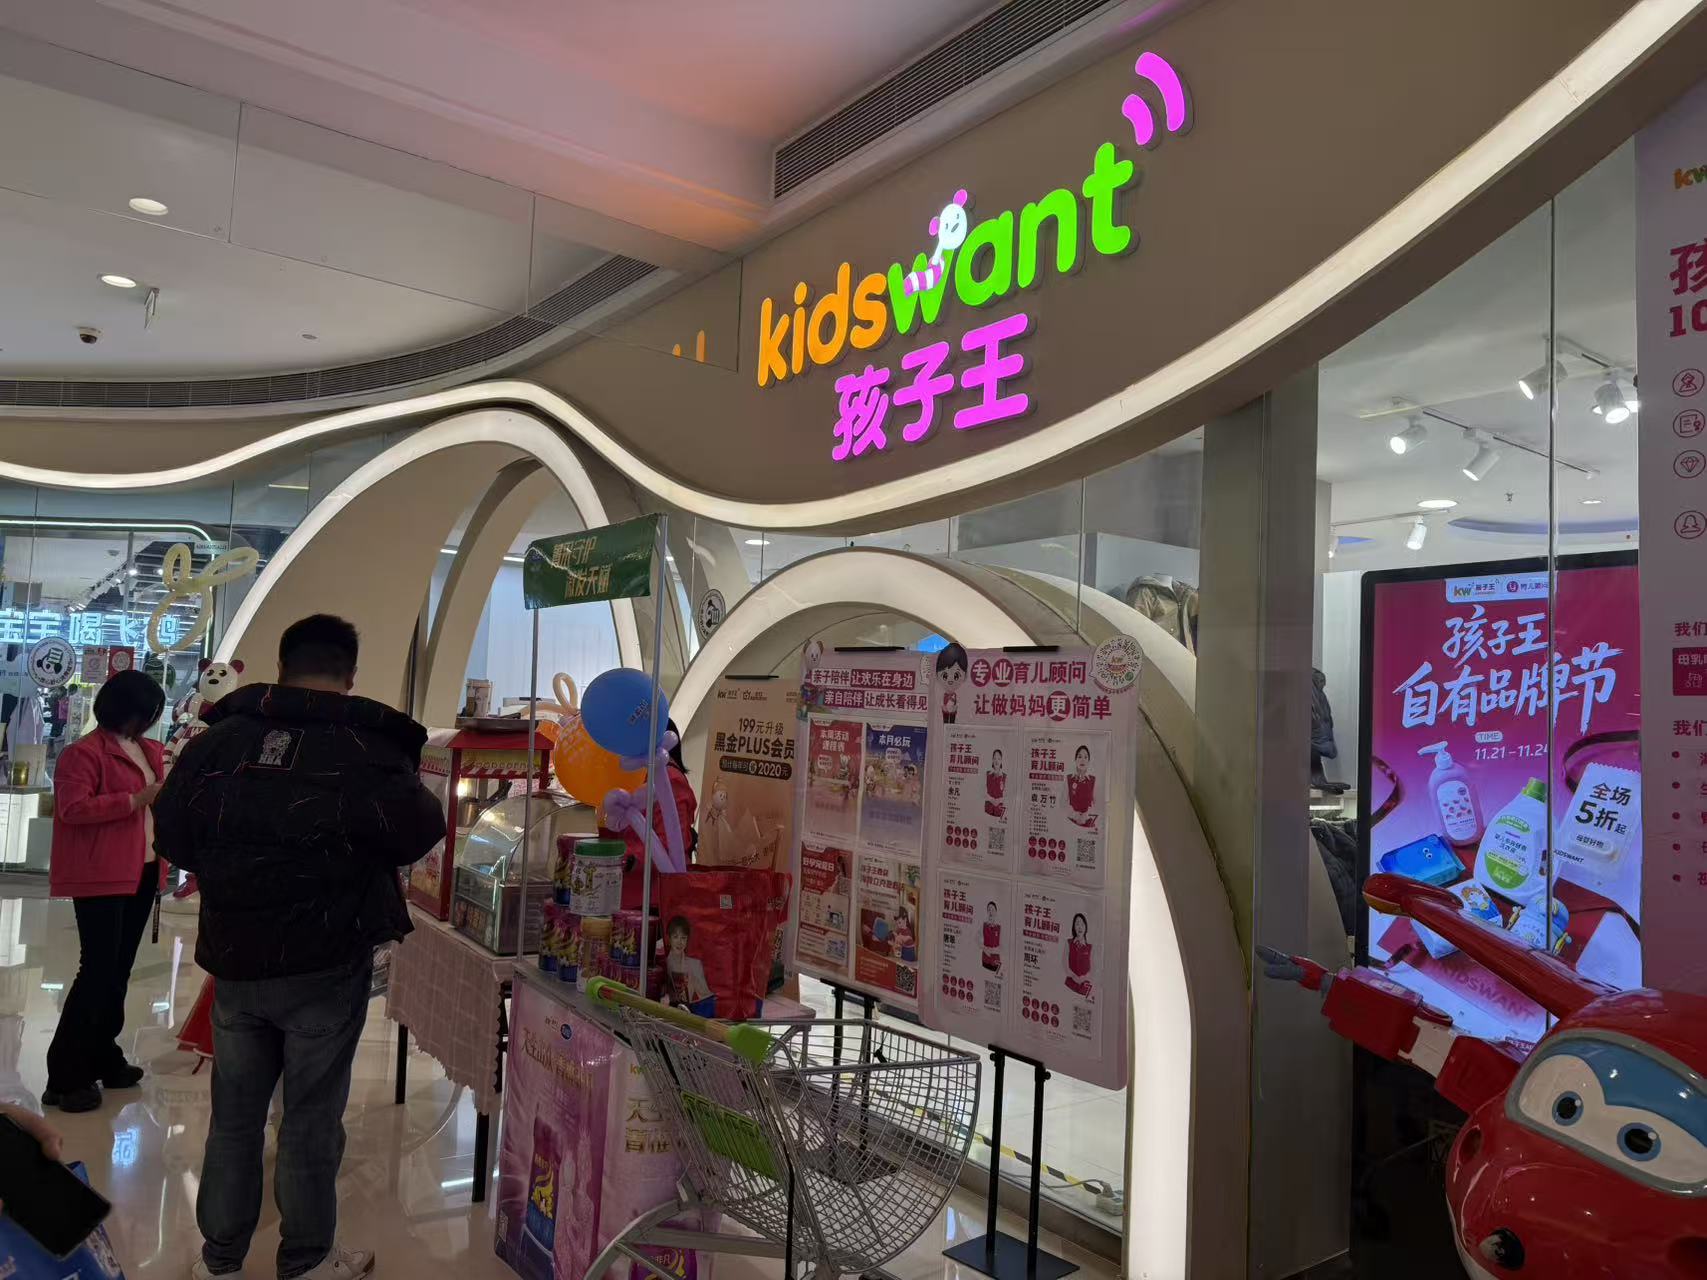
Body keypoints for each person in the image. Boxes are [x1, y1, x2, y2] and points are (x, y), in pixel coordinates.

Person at [153, 615, 445, 1280]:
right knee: (311, 1118)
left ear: (281, 667)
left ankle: (219, 1262)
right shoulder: (366, 747)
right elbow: (419, 829)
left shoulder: (220, 740)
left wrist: (233, 867)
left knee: (233, 1117)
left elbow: (172, 832)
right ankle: (307, 1260)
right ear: (350, 675)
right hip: (325, 960)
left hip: (235, 958)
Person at [44, 669, 167, 1113]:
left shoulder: (148, 750)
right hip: (101, 873)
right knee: (97, 971)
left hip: (143, 869)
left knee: (117, 971)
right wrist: (135, 800)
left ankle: (102, 1055)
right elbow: (73, 809)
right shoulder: (83, 754)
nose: (150, 719)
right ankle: (65, 1075)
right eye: (146, 711)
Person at [603, 719, 697, 911]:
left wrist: (621, 858)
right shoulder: (638, 774)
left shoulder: (667, 778)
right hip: (631, 894)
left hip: (653, 898)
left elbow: (673, 844)